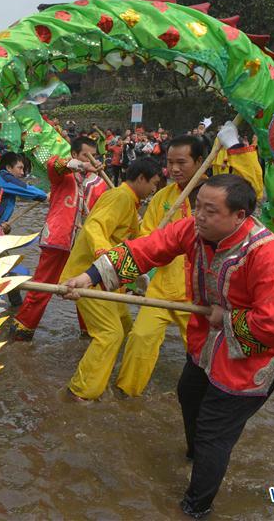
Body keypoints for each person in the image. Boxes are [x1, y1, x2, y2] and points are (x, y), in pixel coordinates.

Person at [64, 174, 274, 518]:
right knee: (188, 393)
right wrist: (88, 277)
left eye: (211, 210)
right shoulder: (193, 231)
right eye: (197, 207)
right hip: (211, 340)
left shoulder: (268, 253)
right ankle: (200, 458)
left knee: (214, 429)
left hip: (256, 354)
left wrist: (225, 317)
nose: (200, 217)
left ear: (240, 215)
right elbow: (147, 249)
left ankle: (196, 507)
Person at [116, 124, 263, 397]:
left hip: (201, 293)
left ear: (199, 161)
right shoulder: (163, 198)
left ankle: (217, 396)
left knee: (207, 351)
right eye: (170, 163)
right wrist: (139, 272)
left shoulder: (216, 194)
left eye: (181, 162)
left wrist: (238, 149)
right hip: (161, 289)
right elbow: (148, 239)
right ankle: (127, 395)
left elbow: (253, 188)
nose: (174, 169)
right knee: (140, 338)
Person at [61, 158, 163, 400]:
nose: (154, 190)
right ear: (141, 179)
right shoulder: (121, 197)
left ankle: (109, 376)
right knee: (110, 334)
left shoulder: (131, 202)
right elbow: (94, 227)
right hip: (89, 275)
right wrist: (104, 257)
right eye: (154, 184)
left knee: (126, 327)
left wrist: (137, 275)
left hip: (112, 280)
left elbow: (136, 241)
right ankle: (81, 392)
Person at [10, 137, 107, 341]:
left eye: (94, 156)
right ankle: (23, 327)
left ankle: (90, 330)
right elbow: (53, 163)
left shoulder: (98, 183)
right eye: (85, 155)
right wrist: (82, 165)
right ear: (74, 155)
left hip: (83, 243)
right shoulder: (63, 175)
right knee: (43, 285)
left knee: (87, 287)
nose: (91, 161)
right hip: (57, 238)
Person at [0, 152, 47, 235]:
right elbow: (26, 189)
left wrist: (4, 225)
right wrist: (45, 196)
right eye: (20, 168)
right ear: (8, 168)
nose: (22, 172)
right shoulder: (5, 178)